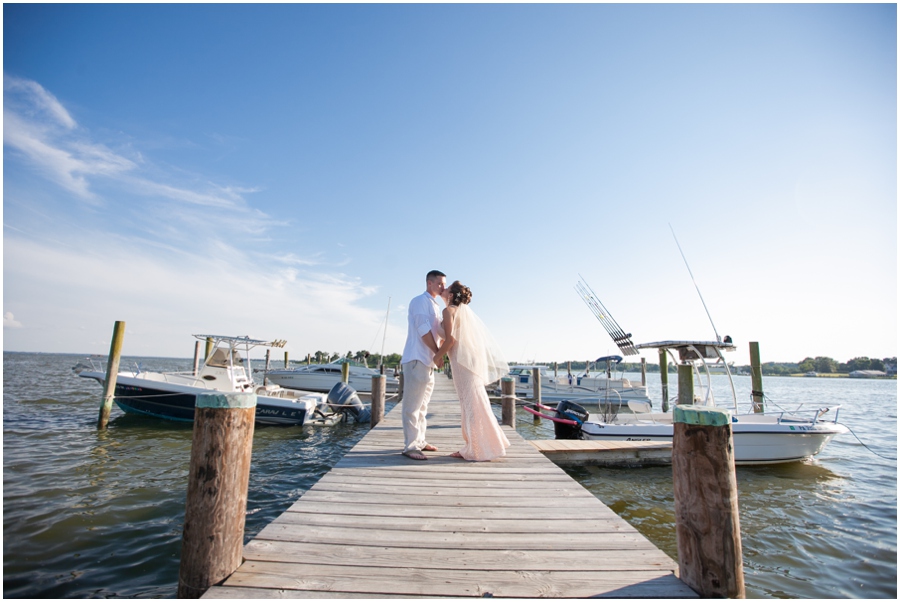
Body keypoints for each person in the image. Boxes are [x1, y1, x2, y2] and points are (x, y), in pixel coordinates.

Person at [435, 281, 510, 461]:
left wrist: (437, 356)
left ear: (451, 295)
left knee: (470, 403)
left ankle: (477, 448)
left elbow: (450, 340)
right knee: (475, 401)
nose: (443, 290)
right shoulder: (461, 313)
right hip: (467, 360)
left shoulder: (448, 311)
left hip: (462, 364)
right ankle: (486, 443)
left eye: (446, 289)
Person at [399, 270, 446, 460]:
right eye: (440, 284)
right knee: (412, 406)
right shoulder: (419, 301)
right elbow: (423, 330)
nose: (443, 287)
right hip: (416, 359)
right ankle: (410, 447)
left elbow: (439, 333)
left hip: (428, 363)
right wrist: (438, 353)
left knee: (423, 406)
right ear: (430, 283)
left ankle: (420, 441)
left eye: (444, 284)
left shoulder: (435, 305)